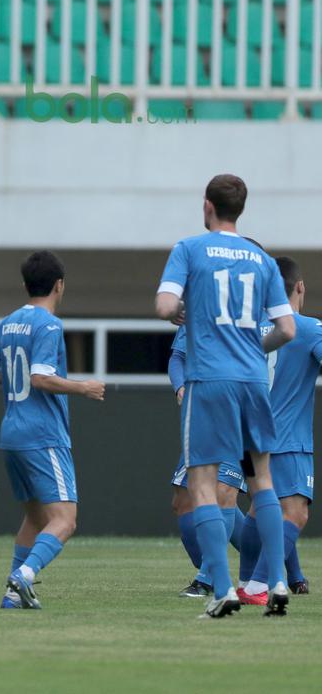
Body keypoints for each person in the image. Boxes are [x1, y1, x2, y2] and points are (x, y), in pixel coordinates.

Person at [155, 173, 296, 618]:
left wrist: (183, 312)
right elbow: (287, 329)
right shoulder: (262, 259)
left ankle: (222, 588)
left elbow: (163, 307)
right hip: (254, 384)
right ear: (242, 208)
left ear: (207, 206)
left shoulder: (190, 249)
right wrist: (254, 347)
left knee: (201, 484)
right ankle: (276, 581)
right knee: (262, 482)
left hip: (210, 383)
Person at [0, 251, 105, 609]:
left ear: (25, 285)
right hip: (42, 434)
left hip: (12, 433)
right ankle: (24, 575)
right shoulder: (49, 325)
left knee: (35, 519)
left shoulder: (8, 322)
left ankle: (11, 596)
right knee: (65, 521)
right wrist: (83, 387)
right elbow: (40, 377)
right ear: (59, 285)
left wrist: (16, 373)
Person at [237, 256, 320, 602]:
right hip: (288, 440)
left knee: (259, 511)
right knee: (296, 512)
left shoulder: (250, 327)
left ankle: (244, 581)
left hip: (249, 439)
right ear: (300, 286)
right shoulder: (307, 327)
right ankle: (258, 585)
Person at [168, 323, 248, 599]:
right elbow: (178, 356)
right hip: (201, 413)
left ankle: (209, 578)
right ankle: (262, 556)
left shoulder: (253, 310)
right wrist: (180, 386)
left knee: (224, 493)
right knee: (183, 499)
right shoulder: (200, 306)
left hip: (239, 410)